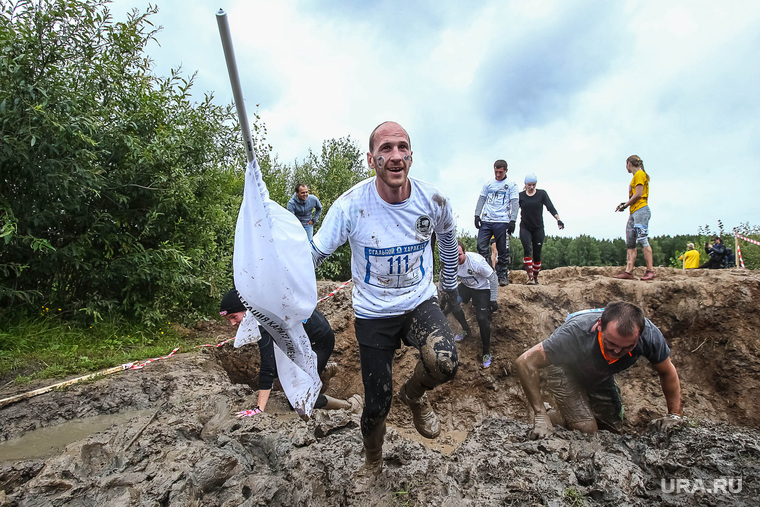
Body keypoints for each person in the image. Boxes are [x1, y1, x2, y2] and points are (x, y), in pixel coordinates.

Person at [311, 121, 460, 475]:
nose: (395, 156)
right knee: (377, 404)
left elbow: (449, 241)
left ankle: (415, 394)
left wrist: (450, 285)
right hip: (373, 313)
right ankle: (373, 459)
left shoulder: (433, 200)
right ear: (371, 158)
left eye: (402, 147)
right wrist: (282, 279)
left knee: (445, 362)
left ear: (411, 155)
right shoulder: (351, 205)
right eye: (386, 149)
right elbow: (315, 253)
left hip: (419, 302)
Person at [515, 302, 683, 438]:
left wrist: (674, 415)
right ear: (599, 326)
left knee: (612, 433)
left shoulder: (650, 336)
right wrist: (540, 415)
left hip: (599, 372)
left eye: (627, 347)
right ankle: (550, 414)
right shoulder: (575, 333)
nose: (617, 352)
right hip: (564, 366)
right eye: (611, 343)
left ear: (639, 336)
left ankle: (569, 414)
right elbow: (525, 362)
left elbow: (667, 372)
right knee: (587, 431)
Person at [219, 289, 361, 414]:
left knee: (298, 402)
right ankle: (321, 373)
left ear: (245, 309)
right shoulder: (259, 307)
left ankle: (350, 405)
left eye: (233, 317)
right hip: (301, 340)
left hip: (318, 342)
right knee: (282, 372)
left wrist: (259, 408)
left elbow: (267, 366)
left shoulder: (261, 319)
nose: (232, 323)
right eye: (227, 319)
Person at [445, 241, 499, 368]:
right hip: (466, 286)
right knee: (454, 304)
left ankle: (486, 351)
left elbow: (493, 278)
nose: (456, 258)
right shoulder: (450, 261)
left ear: (464, 252)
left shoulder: (476, 262)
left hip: (482, 289)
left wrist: (493, 299)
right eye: (453, 255)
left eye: (459, 255)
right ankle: (465, 329)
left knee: (481, 318)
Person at [474, 160, 519, 286]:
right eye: (496, 172)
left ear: (505, 171)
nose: (498, 174)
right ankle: (488, 273)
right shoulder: (488, 184)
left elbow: (515, 203)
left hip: (503, 220)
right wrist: (477, 215)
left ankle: (502, 275)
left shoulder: (511, 185)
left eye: (500, 172)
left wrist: (513, 220)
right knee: (481, 246)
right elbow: (481, 198)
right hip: (487, 220)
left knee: (503, 249)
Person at [614, 155, 655, 281]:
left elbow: (639, 194)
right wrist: (625, 205)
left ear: (629, 164)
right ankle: (629, 271)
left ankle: (650, 270)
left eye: (626, 164)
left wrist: (625, 205)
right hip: (634, 212)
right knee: (630, 241)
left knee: (642, 239)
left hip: (641, 211)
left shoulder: (639, 175)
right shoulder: (636, 177)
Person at [518, 173, 564, 285]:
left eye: (534, 185)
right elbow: (513, 210)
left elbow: (550, 207)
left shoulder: (542, 194)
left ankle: (535, 276)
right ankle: (530, 278)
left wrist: (558, 219)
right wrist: (510, 222)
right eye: (529, 185)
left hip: (538, 228)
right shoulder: (520, 196)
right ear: (525, 185)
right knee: (527, 251)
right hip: (525, 227)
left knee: (537, 254)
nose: (532, 187)